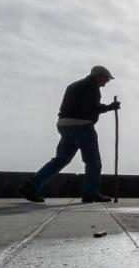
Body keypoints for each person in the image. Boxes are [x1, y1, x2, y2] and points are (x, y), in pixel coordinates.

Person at [18, 66, 121, 203]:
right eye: (107, 78)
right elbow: (90, 108)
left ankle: (30, 186)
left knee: (61, 160)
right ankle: (90, 193)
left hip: (64, 125)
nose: (107, 81)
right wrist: (109, 107)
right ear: (99, 75)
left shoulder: (73, 85)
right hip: (82, 125)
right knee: (93, 162)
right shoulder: (91, 86)